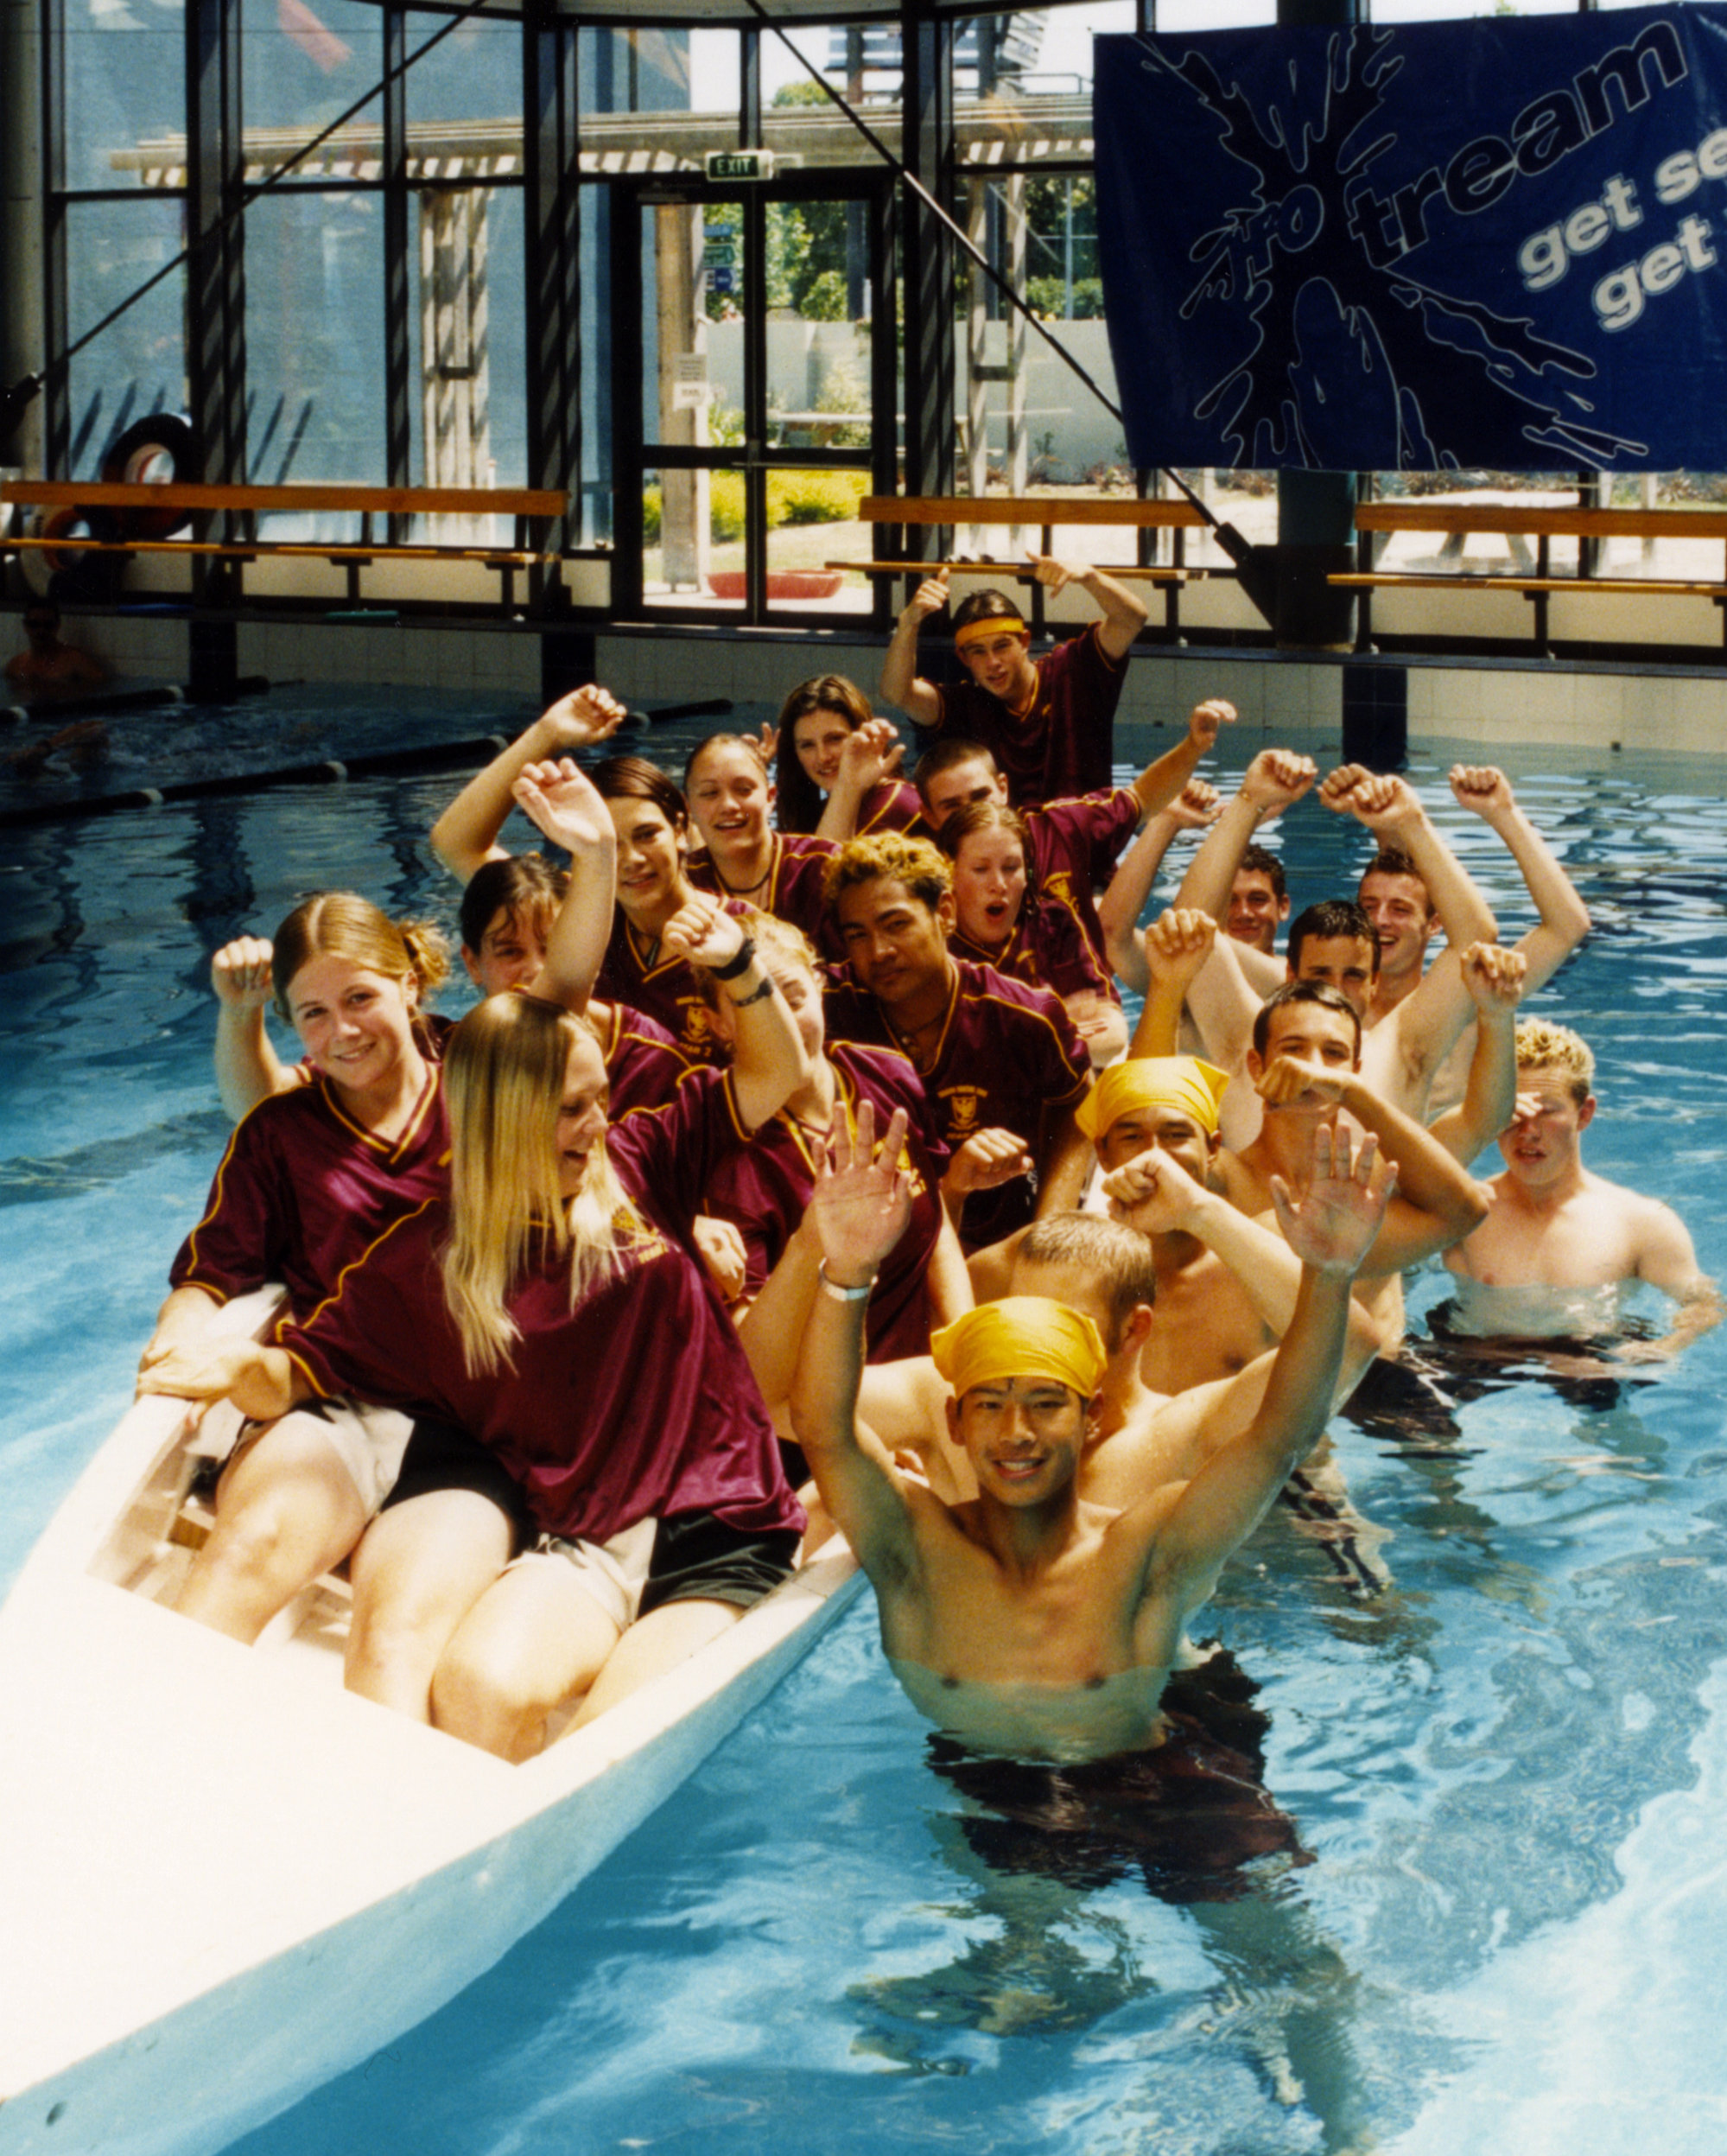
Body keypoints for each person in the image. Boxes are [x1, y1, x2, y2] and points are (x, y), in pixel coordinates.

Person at [147, 895, 813, 1759]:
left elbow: (774, 1070)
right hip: (587, 1539)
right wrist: (218, 1363)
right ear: (501, 1120)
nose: (598, 1124)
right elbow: (301, 1368)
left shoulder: (639, 1163)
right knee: (474, 1688)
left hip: (718, 1519)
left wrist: (736, 964)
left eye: (597, 1098)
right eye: (572, 1108)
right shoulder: (422, 1262)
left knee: (562, 1731)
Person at [790, 1100, 1394, 1762]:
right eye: (990, 1403)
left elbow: (1282, 1432)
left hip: (1165, 1748)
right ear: (954, 1420)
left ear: (1091, 1412)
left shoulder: (1143, 1538)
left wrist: (1328, 1273)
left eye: (1047, 1400)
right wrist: (842, 1269)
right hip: (997, 1780)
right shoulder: (917, 1541)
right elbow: (821, 1426)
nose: (1015, 1430)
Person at [136, 894, 455, 1658]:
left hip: (477, 1416)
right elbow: (215, 1268)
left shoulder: (485, 1090)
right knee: (249, 1544)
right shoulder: (283, 1132)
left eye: (360, 998)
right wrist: (173, 1346)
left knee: (401, 1626)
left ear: (408, 982)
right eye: (312, 1013)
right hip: (333, 1395)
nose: (341, 1031)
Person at [696, 913, 972, 1363]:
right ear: (718, 1024)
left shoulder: (886, 1073)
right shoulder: (724, 1151)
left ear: (820, 985)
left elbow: (935, 1226)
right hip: (823, 1397)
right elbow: (755, 1359)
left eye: (792, 997)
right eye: (753, 1006)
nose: (782, 1024)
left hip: (925, 1359)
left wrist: (965, 1345)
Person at [819, 831, 1095, 1256]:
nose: (878, 951)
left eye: (896, 925)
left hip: (1001, 1242)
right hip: (880, 1247)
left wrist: (1048, 1230)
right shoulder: (827, 1013)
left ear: (944, 912)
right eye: (857, 936)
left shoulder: (1025, 1017)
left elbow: (1077, 1104)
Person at [1443, 1017, 1721, 1358]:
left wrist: (1659, 1351)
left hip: (1589, 1359)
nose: (1528, 1130)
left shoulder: (1641, 1223)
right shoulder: (1463, 1211)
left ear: (1585, 1114)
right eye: (1512, 1111)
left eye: (1546, 1111)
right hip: (1478, 1353)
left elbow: (1704, 1305)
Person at [911, 699, 1235, 977]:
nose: (971, 813)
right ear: (929, 816)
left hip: (1087, 1008)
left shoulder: (1060, 827)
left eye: (980, 796)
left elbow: (1143, 797)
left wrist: (1193, 746)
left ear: (1003, 788)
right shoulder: (923, 882)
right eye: (952, 806)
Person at [880, 559, 1150, 807]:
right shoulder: (966, 706)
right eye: (978, 652)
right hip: (1004, 854)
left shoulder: (1073, 672)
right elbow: (897, 694)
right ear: (963, 657)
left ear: (1024, 642)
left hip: (1082, 847)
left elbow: (1132, 619)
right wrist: (908, 624)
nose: (993, 662)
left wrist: (1090, 577)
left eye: (1002, 646)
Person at [936, 799, 1127, 1068]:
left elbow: (1113, 1035)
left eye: (1011, 867)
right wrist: (1051, 1023)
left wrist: (999, 1043)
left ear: (1027, 874)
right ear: (950, 874)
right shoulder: (935, 942)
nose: (999, 884)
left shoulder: (1053, 924)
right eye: (980, 869)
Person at [683, 732, 840, 952]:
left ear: (770, 797)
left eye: (744, 790)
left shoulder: (822, 866)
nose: (728, 805)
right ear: (688, 808)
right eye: (709, 793)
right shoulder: (685, 881)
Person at [772, 674, 924, 840]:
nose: (823, 757)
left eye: (835, 739)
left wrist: (849, 783)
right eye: (807, 745)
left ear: (862, 735)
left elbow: (825, 862)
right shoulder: (822, 808)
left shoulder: (897, 800)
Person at [4, 600, 107, 694]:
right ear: (25, 626)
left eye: (48, 625)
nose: (41, 631)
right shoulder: (15, 666)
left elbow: (102, 690)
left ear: (57, 625)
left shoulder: (76, 661)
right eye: (34, 624)